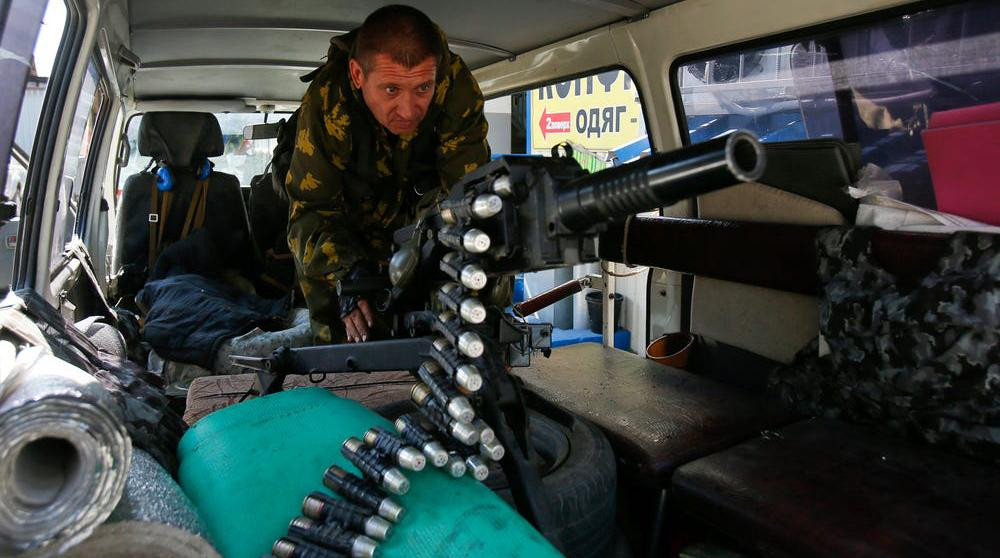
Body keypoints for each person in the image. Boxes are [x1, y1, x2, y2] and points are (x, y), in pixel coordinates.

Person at [285, 5, 490, 344]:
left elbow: (468, 196)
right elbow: (310, 211)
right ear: (357, 75)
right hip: (344, 225)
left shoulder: (455, 87)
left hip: (418, 222)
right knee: (340, 332)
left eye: (422, 88)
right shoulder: (329, 100)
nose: (408, 111)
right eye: (391, 89)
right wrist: (347, 273)